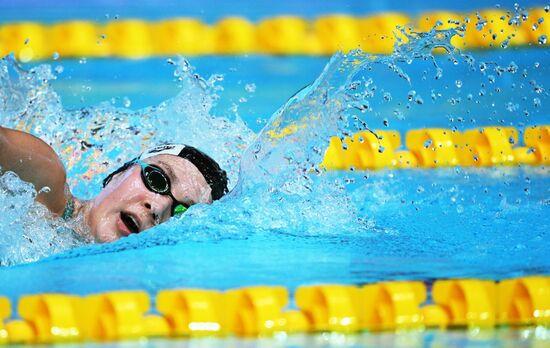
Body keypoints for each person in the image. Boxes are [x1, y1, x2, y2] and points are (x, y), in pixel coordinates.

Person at [0, 126, 228, 243]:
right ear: (120, 172)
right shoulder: (42, 184)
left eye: (180, 212)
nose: (158, 207)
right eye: (157, 180)